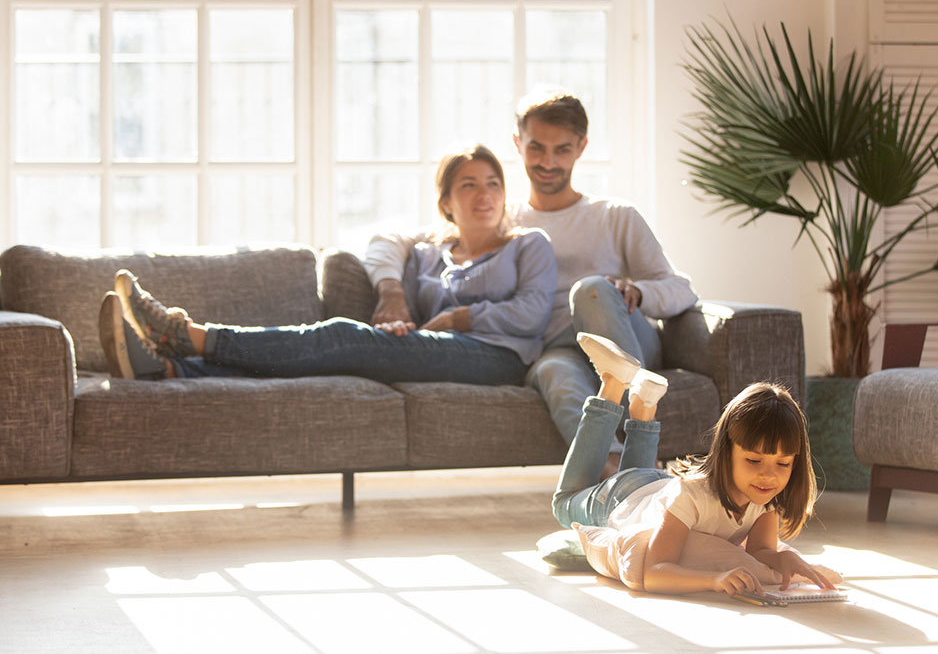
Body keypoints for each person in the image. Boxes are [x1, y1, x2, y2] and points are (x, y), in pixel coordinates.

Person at [365, 88, 698, 476]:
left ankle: (643, 440)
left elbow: (681, 290)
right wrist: (391, 290)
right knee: (552, 372)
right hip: (561, 349)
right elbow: (392, 240)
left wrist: (638, 291)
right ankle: (624, 476)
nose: (548, 162)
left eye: (562, 150)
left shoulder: (615, 216)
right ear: (518, 144)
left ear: (581, 148)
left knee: (589, 290)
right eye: (536, 148)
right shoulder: (504, 220)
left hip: (623, 337)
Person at [97, 143, 557, 386]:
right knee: (327, 357)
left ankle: (189, 337)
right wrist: (400, 317)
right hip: (436, 350)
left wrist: (461, 317)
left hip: (498, 358)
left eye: (494, 183)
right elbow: (407, 297)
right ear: (446, 202)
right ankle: (170, 370)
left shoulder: (528, 245)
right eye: (470, 185)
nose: (486, 195)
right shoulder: (424, 255)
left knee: (342, 335)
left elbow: (532, 314)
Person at [555, 332, 837, 596]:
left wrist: (781, 556)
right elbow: (654, 573)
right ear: (726, 451)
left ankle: (645, 404)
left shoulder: (765, 496)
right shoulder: (692, 497)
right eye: (754, 460)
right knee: (563, 505)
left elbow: (759, 551)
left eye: (783, 464)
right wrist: (714, 580)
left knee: (636, 477)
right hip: (619, 498)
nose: (769, 475)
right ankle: (613, 384)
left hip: (653, 486)